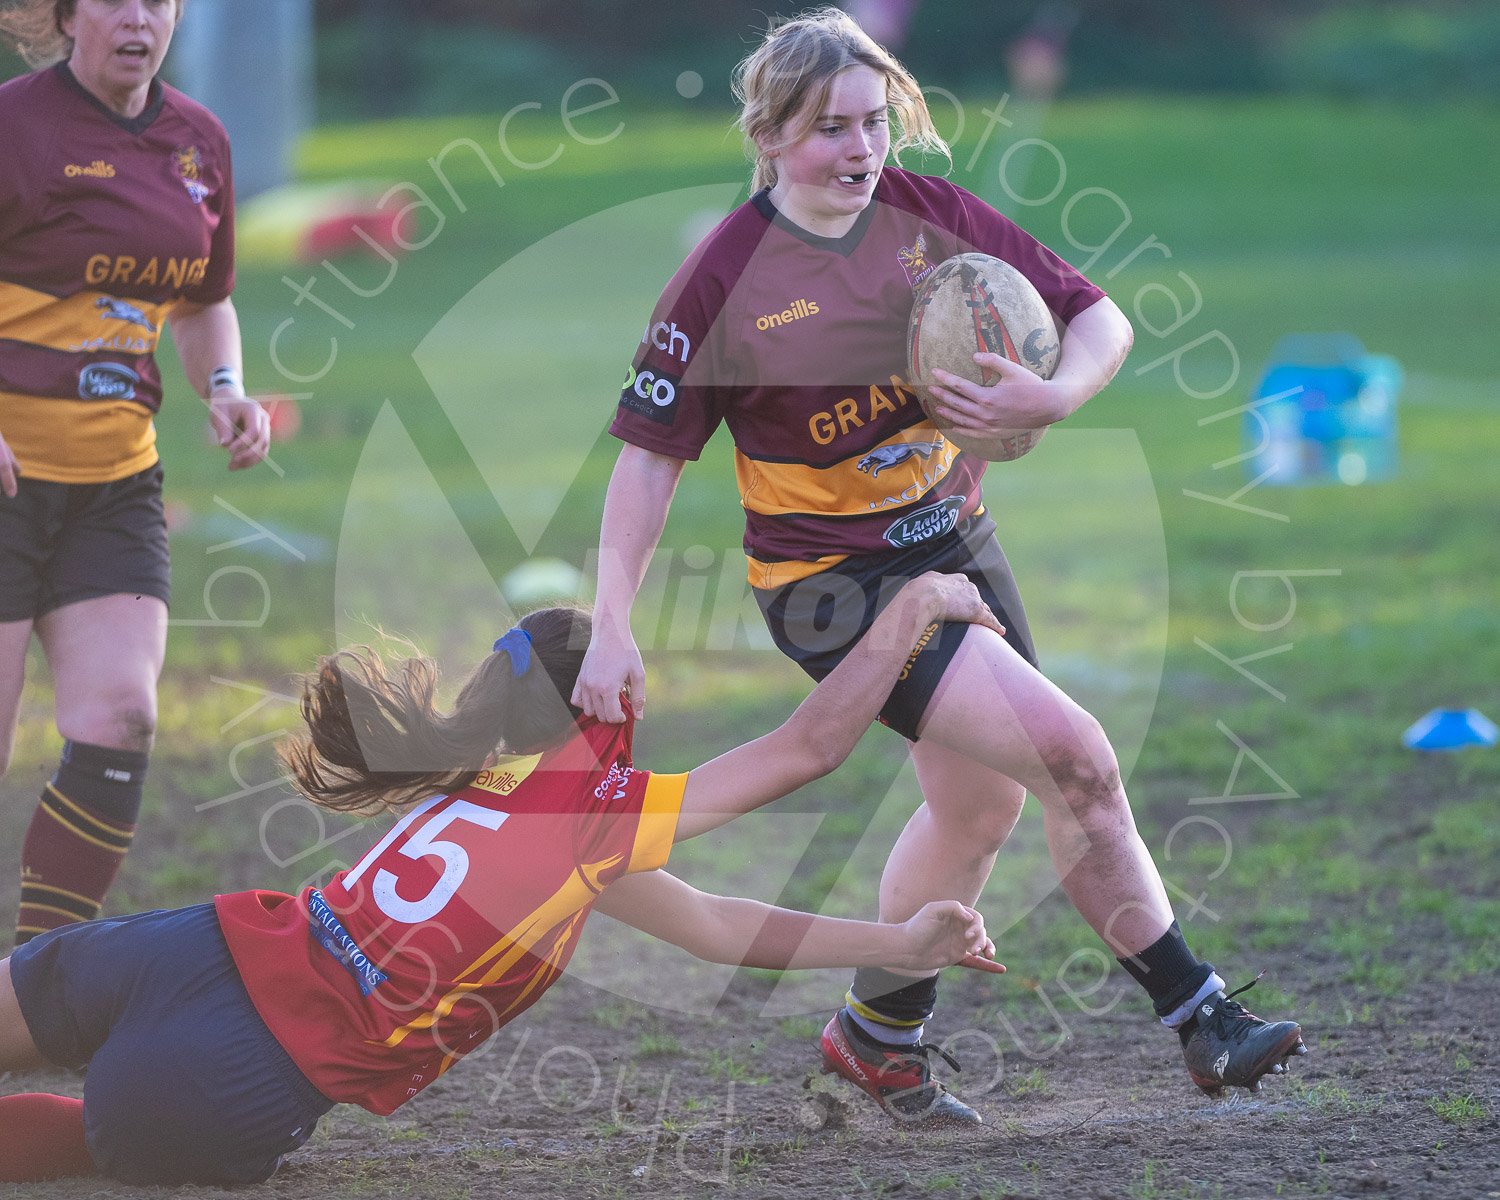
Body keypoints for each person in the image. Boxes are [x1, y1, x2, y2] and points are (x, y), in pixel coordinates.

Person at [573, 7, 1306, 1125]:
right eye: (831, 129)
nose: (862, 150)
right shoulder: (725, 279)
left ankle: (878, 1036)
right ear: (769, 135)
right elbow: (648, 459)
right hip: (831, 588)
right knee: (1078, 759)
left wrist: (1055, 394)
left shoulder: (930, 214)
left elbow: (1094, 315)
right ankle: (1199, 1014)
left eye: (875, 123)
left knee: (977, 813)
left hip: (956, 543)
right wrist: (613, 618)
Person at [0, 573, 1004, 1185]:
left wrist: (903, 945)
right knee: (92, 1142)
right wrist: (915, 606)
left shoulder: (483, 771)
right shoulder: (589, 823)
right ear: (602, 699)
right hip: (237, 1073)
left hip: (192, 948)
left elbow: (713, 926)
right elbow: (808, 747)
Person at [0, 0, 270, 948]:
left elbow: (205, 300)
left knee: (121, 714)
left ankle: (31, 985)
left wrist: (226, 386)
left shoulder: (198, 140)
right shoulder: (14, 126)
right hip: (5, 482)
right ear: (67, 16)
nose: (138, 17)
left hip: (116, 483)